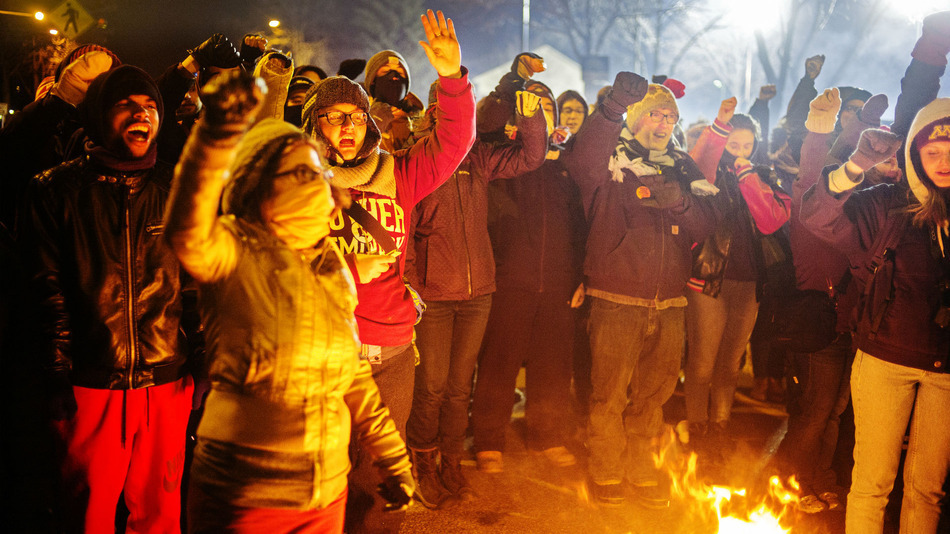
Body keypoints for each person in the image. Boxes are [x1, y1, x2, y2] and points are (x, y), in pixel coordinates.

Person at [164, 70, 413, 534]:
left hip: (324, 491)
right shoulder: (235, 252)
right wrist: (214, 135)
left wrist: (391, 458)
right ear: (261, 183)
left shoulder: (331, 267)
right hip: (246, 493)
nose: (317, 182)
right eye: (300, 172)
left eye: (318, 172)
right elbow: (187, 232)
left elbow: (351, 374)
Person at [301, 10, 475, 533]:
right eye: (332, 117)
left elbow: (451, 146)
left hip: (392, 351)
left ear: (368, 121)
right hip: (326, 351)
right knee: (325, 470)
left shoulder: (395, 173)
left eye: (353, 115)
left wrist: (451, 80)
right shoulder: (299, 183)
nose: (345, 126)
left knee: (383, 475)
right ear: (317, 125)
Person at [19, 64, 196, 533]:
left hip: (166, 383)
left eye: (151, 107)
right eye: (127, 106)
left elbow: (198, 288)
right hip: (89, 387)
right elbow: (45, 291)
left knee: (161, 515)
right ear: (99, 115)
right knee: (87, 515)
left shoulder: (176, 187)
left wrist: (202, 365)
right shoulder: (54, 191)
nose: (142, 115)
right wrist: (56, 378)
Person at [563, 77, 718, 508]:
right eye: (654, 112)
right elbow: (583, 160)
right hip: (618, 299)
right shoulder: (610, 160)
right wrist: (613, 107)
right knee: (609, 395)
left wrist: (681, 202)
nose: (664, 122)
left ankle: (640, 467)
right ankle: (607, 470)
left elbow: (706, 225)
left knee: (653, 397)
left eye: (670, 115)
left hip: (669, 302)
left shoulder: (684, 166)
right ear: (635, 117)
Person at [800, 98, 950, 533]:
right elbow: (816, 215)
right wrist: (857, 163)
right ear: (915, 155)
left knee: (927, 490)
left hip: (947, 372)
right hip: (885, 359)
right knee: (871, 484)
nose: (942, 162)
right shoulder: (887, 204)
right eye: (932, 152)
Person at [404, 86, 547, 507]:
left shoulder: (477, 156)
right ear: (432, 112)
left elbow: (530, 156)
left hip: (477, 291)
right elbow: (406, 233)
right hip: (432, 294)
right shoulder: (415, 159)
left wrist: (530, 117)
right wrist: (412, 284)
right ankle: (423, 466)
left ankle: (451, 463)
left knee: (458, 387)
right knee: (430, 386)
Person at [469, 78, 584, 475]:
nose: (542, 113)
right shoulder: (505, 159)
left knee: (553, 366)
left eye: (546, 106)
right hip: (509, 279)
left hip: (558, 282)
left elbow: (581, 224)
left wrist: (580, 275)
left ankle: (547, 435)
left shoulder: (568, 166)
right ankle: (488, 440)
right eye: (533, 106)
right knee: (499, 364)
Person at [685, 97, 791, 459]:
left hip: (750, 284)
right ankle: (697, 427)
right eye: (734, 144)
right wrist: (719, 126)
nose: (741, 151)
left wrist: (748, 175)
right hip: (709, 280)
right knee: (702, 361)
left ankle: (720, 427)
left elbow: (770, 220)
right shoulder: (709, 174)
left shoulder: (763, 176)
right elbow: (700, 167)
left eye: (747, 145)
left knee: (731, 362)